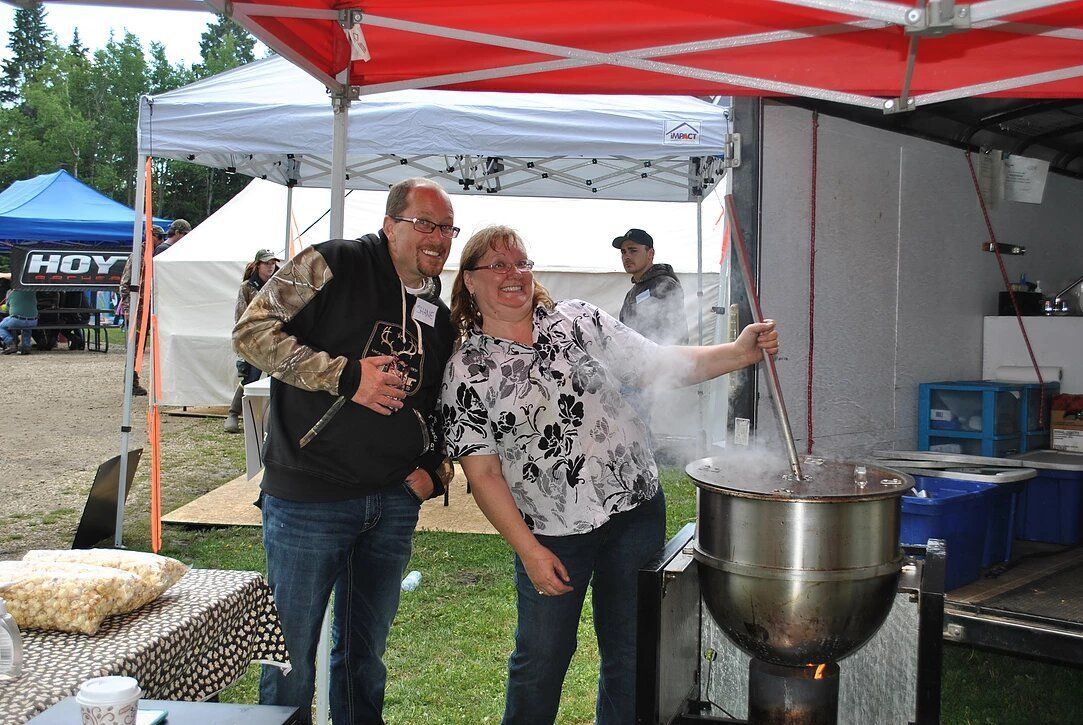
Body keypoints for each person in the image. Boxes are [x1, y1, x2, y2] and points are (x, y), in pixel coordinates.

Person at [441, 225, 778, 725]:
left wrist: (740, 352)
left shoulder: (578, 321)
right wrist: (530, 553)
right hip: (553, 537)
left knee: (630, 651)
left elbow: (660, 364)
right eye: (498, 265)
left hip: (635, 510)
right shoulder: (465, 370)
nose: (514, 274)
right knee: (542, 660)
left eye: (522, 262)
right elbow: (484, 474)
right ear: (469, 281)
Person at [233, 177, 458, 724]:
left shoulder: (437, 314)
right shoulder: (331, 263)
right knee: (290, 657)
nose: (437, 239)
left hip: (391, 503)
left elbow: (443, 404)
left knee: (364, 657)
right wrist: (345, 375)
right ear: (390, 224)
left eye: (446, 229)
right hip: (310, 497)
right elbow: (251, 332)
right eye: (423, 224)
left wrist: (435, 469)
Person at [224, 249, 282, 433]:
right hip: (254, 340)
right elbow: (240, 317)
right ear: (258, 265)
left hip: (276, 338)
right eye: (266, 263)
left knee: (279, 377)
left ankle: (274, 419)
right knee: (250, 378)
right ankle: (234, 413)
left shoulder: (279, 284)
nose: (270, 267)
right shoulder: (247, 287)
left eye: (272, 263)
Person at [613, 228, 688, 345]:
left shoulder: (665, 285)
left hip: (662, 360)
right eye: (623, 252)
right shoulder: (631, 294)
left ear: (650, 254)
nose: (626, 256)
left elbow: (674, 335)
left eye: (633, 250)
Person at [118, 224, 166, 395]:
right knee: (135, 348)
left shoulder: (153, 255)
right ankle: (131, 383)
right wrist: (128, 309)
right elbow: (125, 283)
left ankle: (138, 382)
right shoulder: (138, 255)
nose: (161, 241)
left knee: (145, 348)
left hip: (149, 309)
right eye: (159, 237)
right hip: (136, 310)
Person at [0, 287, 39, 355]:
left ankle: (11, 344)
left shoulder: (10, 292)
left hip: (17, 320)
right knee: (26, 327)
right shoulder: (32, 290)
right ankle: (26, 346)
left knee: (1, 326)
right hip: (33, 321)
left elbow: (7, 308)